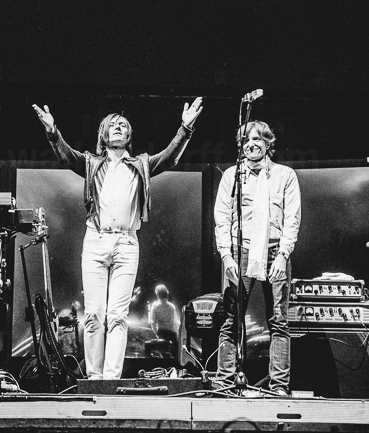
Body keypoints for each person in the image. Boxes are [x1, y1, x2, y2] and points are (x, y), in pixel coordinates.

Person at [32, 98, 203, 379]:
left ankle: (110, 379)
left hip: (126, 242)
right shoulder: (92, 163)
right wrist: (53, 132)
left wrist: (185, 129)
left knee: (118, 316)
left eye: (123, 125)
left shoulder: (141, 165)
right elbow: (67, 156)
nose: (119, 127)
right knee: (94, 313)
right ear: (104, 134)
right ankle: (94, 378)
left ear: (129, 135)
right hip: (96, 240)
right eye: (113, 125)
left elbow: (169, 157)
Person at [213, 120, 301, 397]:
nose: (251, 144)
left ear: (267, 143)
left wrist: (283, 256)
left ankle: (279, 387)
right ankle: (225, 383)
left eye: (257, 139)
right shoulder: (232, 176)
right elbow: (222, 217)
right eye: (246, 140)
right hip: (240, 250)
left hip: (275, 250)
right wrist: (226, 256)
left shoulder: (285, 175)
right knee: (231, 319)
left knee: (279, 321)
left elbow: (292, 219)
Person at [148, 284, 180, 351]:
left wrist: (155, 332)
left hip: (161, 332)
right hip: (172, 333)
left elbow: (153, 321)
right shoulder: (172, 306)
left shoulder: (155, 305)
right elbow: (175, 322)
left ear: (157, 294)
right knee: (176, 350)